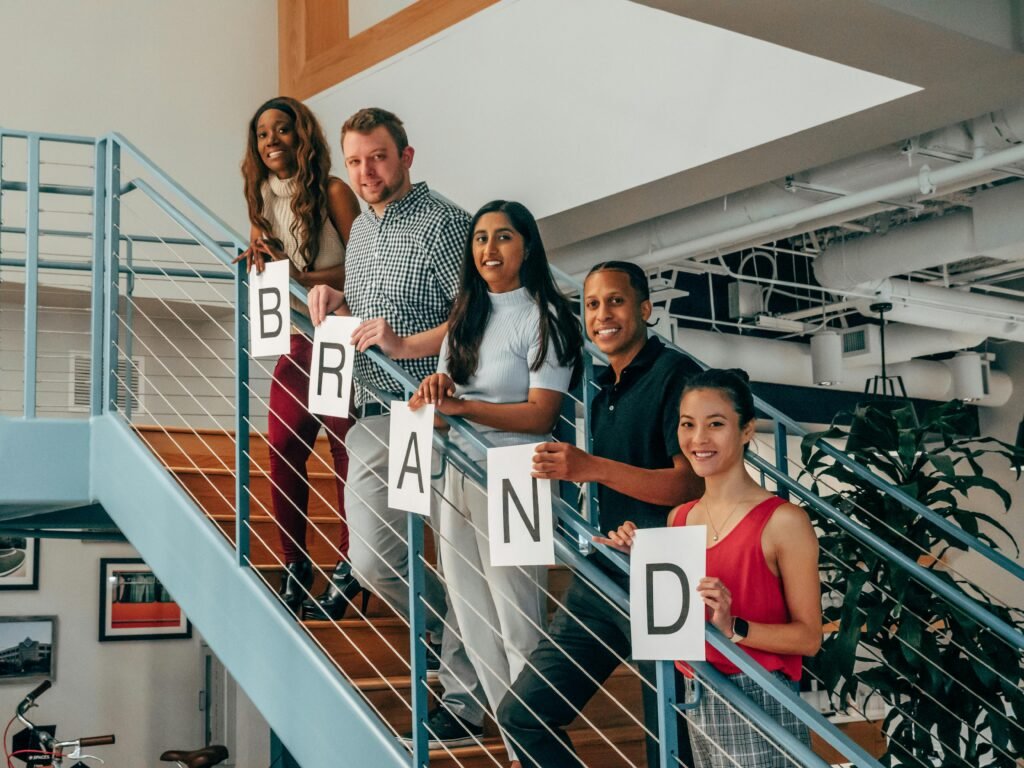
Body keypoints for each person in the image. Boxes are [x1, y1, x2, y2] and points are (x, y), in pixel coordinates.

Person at [306, 107, 486, 747]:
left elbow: (474, 323)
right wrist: (338, 301)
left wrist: (410, 344)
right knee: (373, 561)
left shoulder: (447, 225)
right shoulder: (359, 233)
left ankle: (465, 701)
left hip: (440, 416)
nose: (365, 172)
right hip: (376, 416)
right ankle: (450, 637)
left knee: (462, 562)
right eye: (354, 161)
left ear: (407, 156)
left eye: (377, 157)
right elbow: (372, 313)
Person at [497, 261, 703, 768]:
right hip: (605, 573)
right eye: (591, 304)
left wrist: (591, 468)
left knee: (669, 749)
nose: (601, 314)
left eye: (615, 301)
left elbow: (690, 481)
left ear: (646, 309)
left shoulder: (678, 376)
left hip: (663, 573)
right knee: (523, 714)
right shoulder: (604, 382)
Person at [409, 200, 582, 764]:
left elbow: (539, 415)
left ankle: (537, 742)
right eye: (480, 238)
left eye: (502, 237)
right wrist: (434, 396)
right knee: (475, 616)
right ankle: (515, 749)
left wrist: (463, 409)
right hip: (452, 473)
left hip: (517, 476)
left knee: (518, 616)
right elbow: (449, 401)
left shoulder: (547, 317)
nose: (488, 249)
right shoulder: (465, 315)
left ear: (526, 246)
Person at [598, 368, 822, 768]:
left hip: (758, 695)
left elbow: (809, 638)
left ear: (747, 430)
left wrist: (733, 627)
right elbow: (677, 618)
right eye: (688, 425)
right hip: (694, 691)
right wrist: (643, 559)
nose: (698, 439)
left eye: (715, 424)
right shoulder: (678, 519)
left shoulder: (784, 520)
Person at [237, 96, 362, 619]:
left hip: (339, 333)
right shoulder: (261, 200)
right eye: (263, 133)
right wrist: (260, 267)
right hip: (297, 340)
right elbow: (271, 272)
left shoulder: (333, 190)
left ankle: (352, 564)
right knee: (282, 446)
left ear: (302, 136)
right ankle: (295, 564)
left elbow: (364, 270)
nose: (272, 141)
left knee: (344, 453)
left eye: (282, 130)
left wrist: (298, 277)